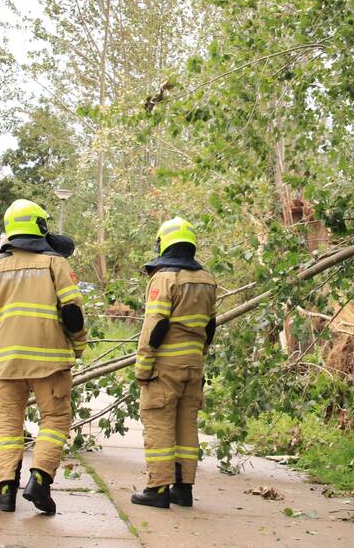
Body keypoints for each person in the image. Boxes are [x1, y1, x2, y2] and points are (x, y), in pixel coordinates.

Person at [0, 199, 86, 514]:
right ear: (40, 226)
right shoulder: (55, 264)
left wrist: (2, 345)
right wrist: (77, 346)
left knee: (8, 423)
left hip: (7, 362)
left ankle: (5, 490)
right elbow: (73, 313)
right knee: (54, 420)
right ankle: (40, 478)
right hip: (49, 361)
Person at [131, 217, 218, 510]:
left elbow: (155, 326)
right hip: (194, 364)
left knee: (158, 423)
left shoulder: (165, 278)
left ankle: (157, 488)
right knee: (185, 426)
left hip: (165, 366)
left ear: (163, 242)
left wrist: (143, 368)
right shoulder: (207, 279)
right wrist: (199, 354)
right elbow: (211, 325)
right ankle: (183, 488)